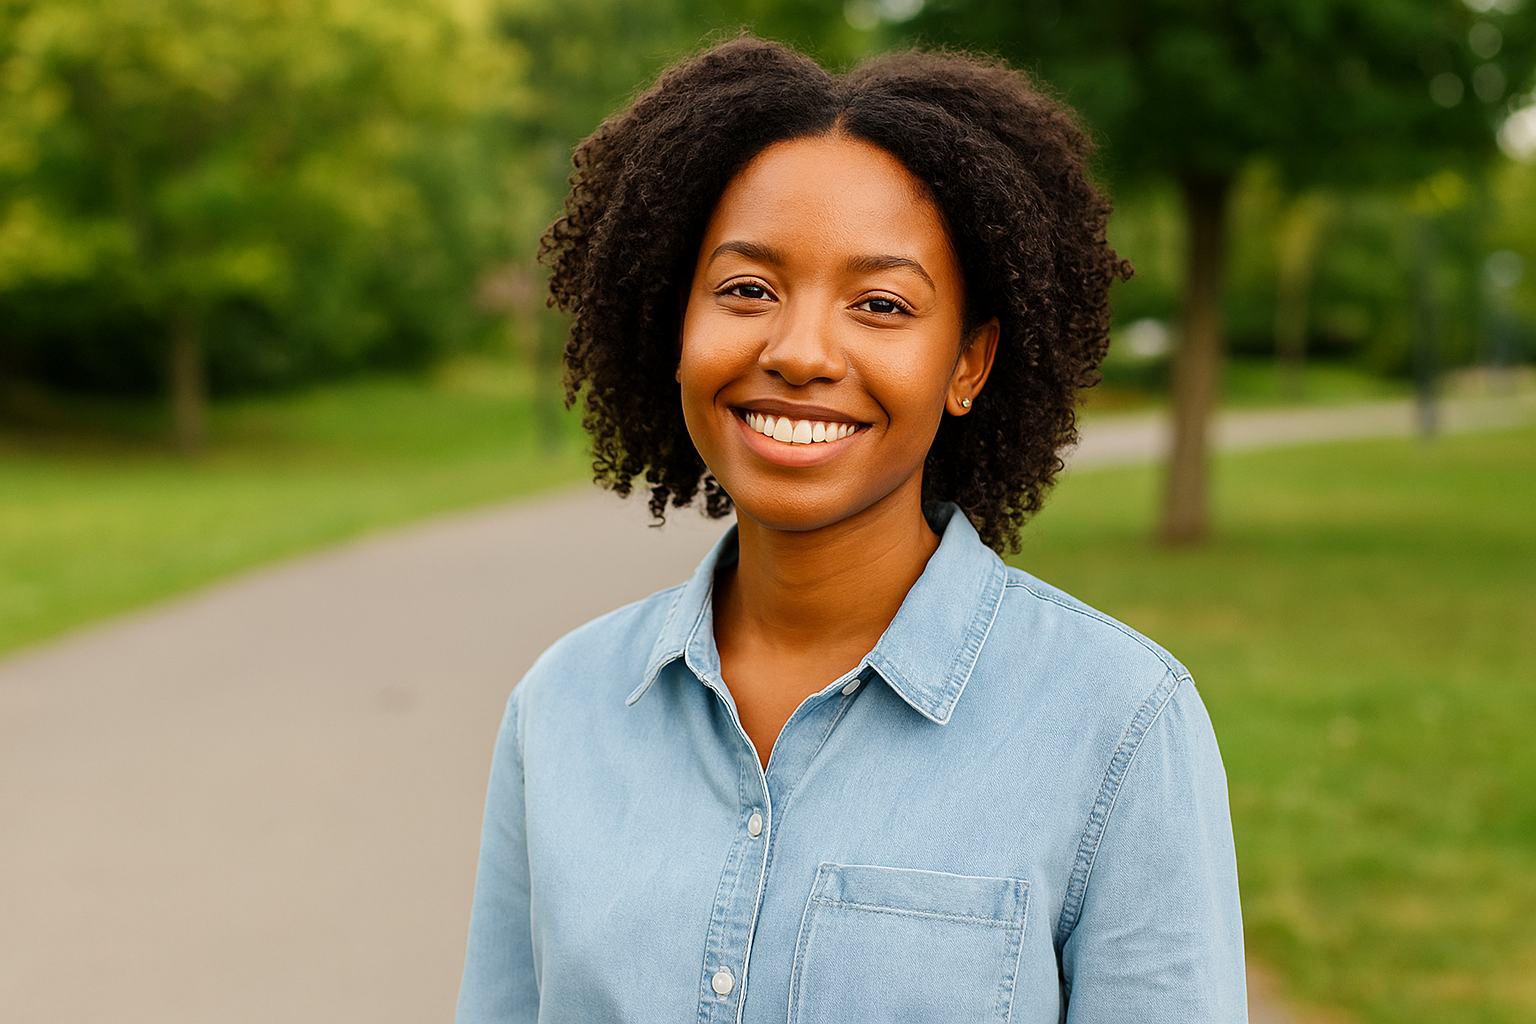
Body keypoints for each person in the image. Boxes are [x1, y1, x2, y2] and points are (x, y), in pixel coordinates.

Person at [457, 36, 1246, 1023]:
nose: (800, 353)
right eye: (747, 290)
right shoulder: (563, 706)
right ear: (674, 322)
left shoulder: (1120, 724)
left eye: (880, 303)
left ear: (968, 364)